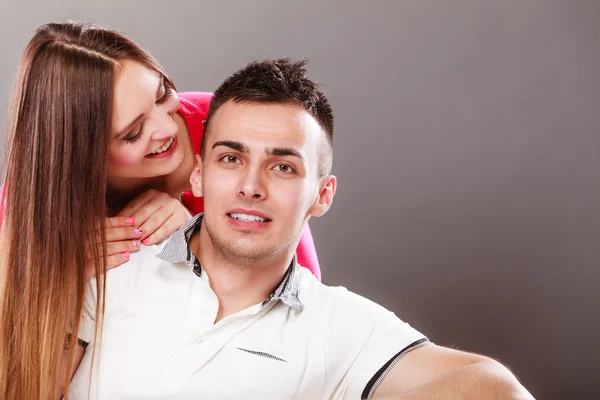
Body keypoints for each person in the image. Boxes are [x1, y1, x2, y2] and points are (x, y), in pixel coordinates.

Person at [67, 59, 534, 399]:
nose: (251, 186)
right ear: (199, 176)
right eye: (231, 158)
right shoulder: (107, 268)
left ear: (322, 195)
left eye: (283, 167)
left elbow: (497, 390)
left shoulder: (339, 326)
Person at [0, 22, 320, 400]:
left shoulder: (230, 130)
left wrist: (202, 239)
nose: (167, 126)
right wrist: (60, 274)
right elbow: (19, 369)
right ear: (82, 159)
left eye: (162, 94)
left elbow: (303, 305)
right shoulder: (33, 209)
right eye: (133, 133)